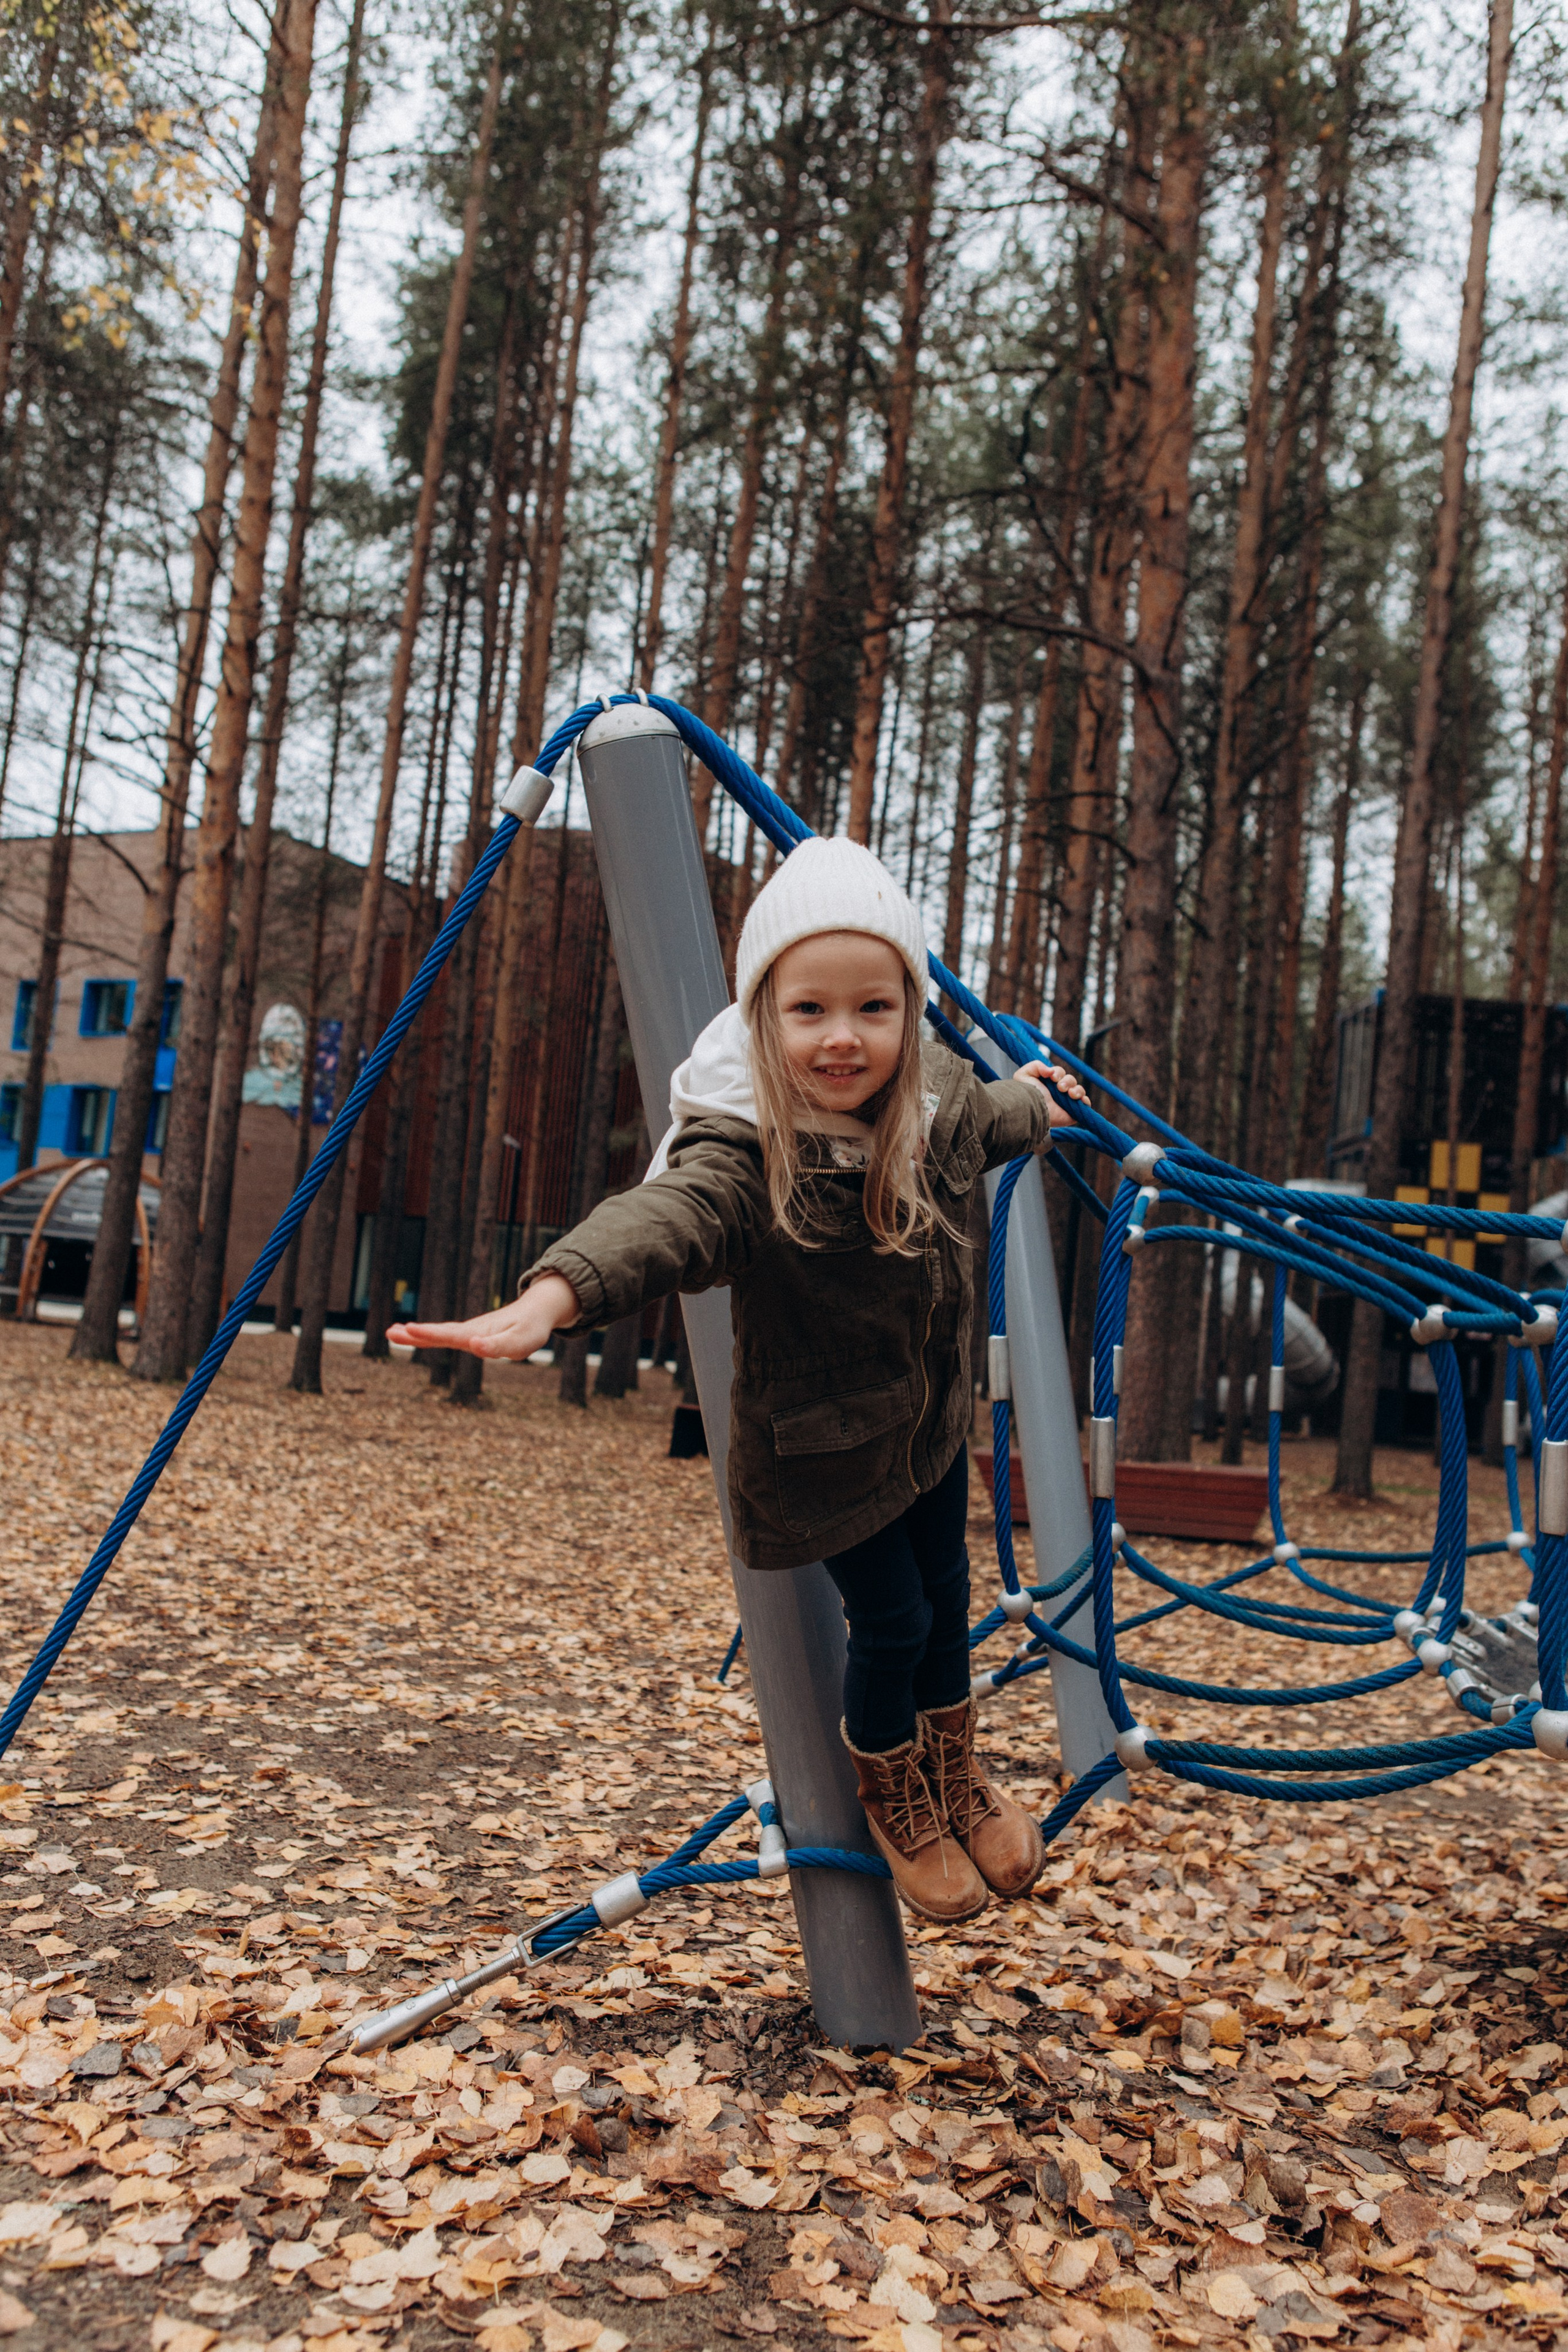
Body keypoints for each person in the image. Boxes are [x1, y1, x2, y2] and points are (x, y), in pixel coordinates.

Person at [390, 837, 1087, 1923]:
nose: (843, 1038)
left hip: (929, 1423)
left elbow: (988, 1120)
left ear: (910, 1011)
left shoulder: (934, 1099)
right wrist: (553, 1295)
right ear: (766, 1015)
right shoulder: (749, 1149)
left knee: (952, 1596)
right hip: (827, 1447)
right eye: (809, 1010)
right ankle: (891, 1789)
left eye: (874, 1008)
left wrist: (1035, 1102)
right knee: (897, 1622)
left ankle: (957, 1773)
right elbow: (669, 1219)